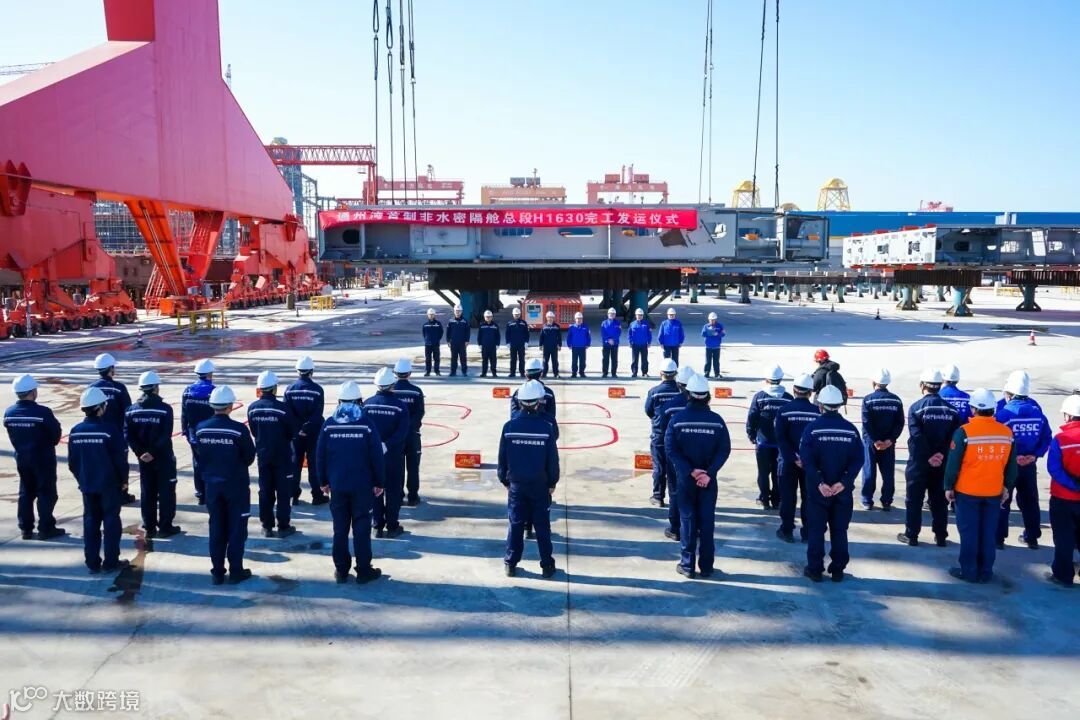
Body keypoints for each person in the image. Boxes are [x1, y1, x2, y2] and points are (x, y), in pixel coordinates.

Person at [943, 388, 1017, 583]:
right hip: (993, 491)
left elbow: (953, 463)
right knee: (988, 532)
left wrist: (948, 486)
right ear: (993, 409)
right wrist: (1007, 487)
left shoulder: (964, 432)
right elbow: (1011, 466)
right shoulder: (1006, 433)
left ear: (973, 409)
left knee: (969, 533)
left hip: (967, 491)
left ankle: (969, 570)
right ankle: (985, 571)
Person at [317, 380, 385, 584]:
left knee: (340, 529)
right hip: (362, 486)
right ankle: (363, 570)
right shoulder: (367, 425)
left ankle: (341, 570)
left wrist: (323, 481)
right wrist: (380, 482)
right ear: (359, 401)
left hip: (338, 485)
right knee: (361, 528)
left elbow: (320, 455)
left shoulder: (329, 425)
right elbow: (376, 456)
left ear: (339, 401)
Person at [665, 373, 732, 579]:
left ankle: (687, 565)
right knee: (707, 521)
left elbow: (671, 449)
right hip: (708, 482)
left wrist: (690, 471)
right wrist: (708, 473)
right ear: (707, 396)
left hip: (686, 480)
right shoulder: (717, 421)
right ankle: (707, 566)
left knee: (688, 520)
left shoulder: (677, 420)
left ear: (688, 395)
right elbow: (724, 450)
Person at [799, 385, 865, 582]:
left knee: (816, 530)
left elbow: (807, 460)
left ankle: (815, 569)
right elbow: (858, 459)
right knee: (839, 530)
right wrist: (843, 482)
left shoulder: (812, 430)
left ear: (820, 405)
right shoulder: (851, 430)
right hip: (842, 492)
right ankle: (838, 569)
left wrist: (820, 483)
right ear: (839, 405)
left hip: (818, 492)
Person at [193, 386, 256, 585]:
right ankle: (236, 570)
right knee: (237, 528)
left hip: (212, 485)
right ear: (230, 406)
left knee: (217, 527)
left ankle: (217, 572)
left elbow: (199, 454)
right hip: (235, 485)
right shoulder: (238, 430)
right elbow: (249, 456)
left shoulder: (201, 428)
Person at [498, 380, 560, 578]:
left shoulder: (509, 426)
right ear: (538, 402)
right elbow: (552, 460)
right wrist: (552, 482)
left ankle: (510, 563)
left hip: (516, 485)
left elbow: (502, 458)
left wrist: (505, 480)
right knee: (542, 525)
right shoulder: (546, 427)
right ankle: (547, 565)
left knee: (516, 524)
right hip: (539, 485)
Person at [68, 387, 130, 574]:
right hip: (109, 485)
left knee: (90, 522)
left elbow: (72, 462)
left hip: (88, 485)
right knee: (111, 522)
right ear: (100, 408)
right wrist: (124, 480)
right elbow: (120, 459)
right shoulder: (109, 430)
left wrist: (82, 479)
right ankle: (111, 561)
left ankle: (92, 562)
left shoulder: (76, 431)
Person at [898, 369, 962, 547]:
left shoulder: (916, 408)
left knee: (914, 500)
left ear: (922, 385)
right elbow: (954, 437)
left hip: (919, 462)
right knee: (940, 501)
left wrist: (929, 455)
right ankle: (940, 536)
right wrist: (940, 454)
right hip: (942, 462)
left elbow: (917, 436)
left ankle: (912, 535)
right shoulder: (952, 410)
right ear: (940, 386)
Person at [4, 375, 65, 540]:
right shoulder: (42, 412)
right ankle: (46, 527)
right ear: (32, 392)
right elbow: (55, 435)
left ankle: (26, 528)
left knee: (26, 492)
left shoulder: (9, 413)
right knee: (46, 493)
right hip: (43, 458)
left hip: (22, 458)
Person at [995, 371, 1051, 549]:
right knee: (1030, 501)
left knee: (1003, 499)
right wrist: (1034, 455)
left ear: (1009, 393)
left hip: (1007, 465)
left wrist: (1012, 457)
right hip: (1029, 465)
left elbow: (996, 439)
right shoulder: (1037, 411)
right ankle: (1032, 537)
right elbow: (1046, 437)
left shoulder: (1003, 413)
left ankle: (998, 538)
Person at [125, 371, 181, 538]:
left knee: (147, 491)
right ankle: (165, 526)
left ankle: (149, 526)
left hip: (144, 460)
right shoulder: (165, 409)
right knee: (166, 492)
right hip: (163, 457)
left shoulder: (131, 411)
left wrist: (141, 452)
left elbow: (128, 435)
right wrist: (153, 452)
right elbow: (165, 434)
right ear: (156, 388)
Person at [247, 371, 298, 538]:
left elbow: (254, 431)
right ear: (274, 388)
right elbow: (292, 431)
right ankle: (283, 526)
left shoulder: (252, 409)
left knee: (265, 491)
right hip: (282, 456)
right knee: (283, 491)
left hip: (263, 455)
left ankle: (266, 526)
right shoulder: (283, 409)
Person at [774, 373, 820, 542]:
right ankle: (807, 532)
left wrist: (793, 457)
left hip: (788, 462)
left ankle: (786, 530)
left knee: (788, 497)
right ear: (810, 392)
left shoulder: (784, 411)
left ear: (794, 390)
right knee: (809, 497)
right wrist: (806, 459)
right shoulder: (817, 412)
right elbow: (817, 440)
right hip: (810, 463)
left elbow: (780, 438)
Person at [365, 368, 410, 538]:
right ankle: (392, 526)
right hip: (393, 455)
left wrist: (376, 446)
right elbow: (402, 432)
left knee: (375, 488)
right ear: (392, 385)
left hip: (373, 455)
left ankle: (377, 525)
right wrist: (387, 445)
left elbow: (364, 429)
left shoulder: (367, 404)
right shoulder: (400, 406)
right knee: (393, 490)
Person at [90, 353, 135, 504]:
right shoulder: (119, 388)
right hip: (117, 434)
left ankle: (103, 492)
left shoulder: (91, 388)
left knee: (101, 463)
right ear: (111, 369)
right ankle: (122, 493)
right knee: (120, 464)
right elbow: (128, 411)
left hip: (97, 433)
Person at [657, 366, 695, 541]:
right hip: (695, 455)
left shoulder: (669, 406)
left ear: (678, 384)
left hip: (674, 455)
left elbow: (663, 430)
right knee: (694, 491)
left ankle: (675, 528)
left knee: (675, 490)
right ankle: (693, 526)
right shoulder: (702, 409)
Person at [746, 365, 792, 510]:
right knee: (779, 473)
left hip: (763, 442)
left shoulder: (760, 397)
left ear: (767, 379)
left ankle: (764, 499)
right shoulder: (788, 398)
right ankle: (777, 500)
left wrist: (751, 434)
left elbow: (752, 417)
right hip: (781, 444)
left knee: (763, 472)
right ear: (781, 379)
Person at [285, 356, 328, 506]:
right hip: (313, 432)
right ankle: (317, 495)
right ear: (311, 371)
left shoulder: (289, 389)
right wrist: (307, 427)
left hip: (296, 434)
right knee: (313, 463)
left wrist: (298, 429)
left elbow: (287, 413)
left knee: (295, 463)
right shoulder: (317, 390)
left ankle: (293, 495)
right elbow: (317, 414)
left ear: (297, 371)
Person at [1046, 395, 1080, 586]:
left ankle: (1063, 575)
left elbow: (1054, 468)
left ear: (1068, 416)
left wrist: (1074, 485)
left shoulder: (1061, 439)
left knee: (1064, 538)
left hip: (1063, 498)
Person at [860, 369, 905, 511]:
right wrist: (890, 440)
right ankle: (886, 501)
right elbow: (900, 422)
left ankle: (867, 500)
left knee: (869, 471)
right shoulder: (896, 400)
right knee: (888, 473)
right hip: (888, 443)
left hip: (871, 442)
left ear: (874, 382)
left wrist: (875, 440)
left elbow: (866, 422)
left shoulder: (868, 399)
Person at [644, 359, 681, 507]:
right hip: (678, 436)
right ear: (675, 373)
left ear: (661, 373)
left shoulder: (654, 392)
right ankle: (676, 497)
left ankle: (658, 497)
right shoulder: (681, 392)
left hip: (659, 434)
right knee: (676, 467)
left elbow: (649, 411)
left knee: (659, 467)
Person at [181, 359, 216, 505]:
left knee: (197, 462)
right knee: (212, 462)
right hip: (210, 433)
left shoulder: (188, 391)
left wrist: (185, 430)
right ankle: (210, 492)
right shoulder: (214, 391)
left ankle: (200, 493)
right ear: (209, 374)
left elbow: (184, 413)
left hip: (194, 433)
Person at [392, 359, 426, 506]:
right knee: (413, 467)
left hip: (395, 437)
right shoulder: (416, 391)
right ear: (409, 373)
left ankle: (398, 496)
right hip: (412, 435)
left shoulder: (391, 391)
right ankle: (413, 497)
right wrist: (410, 427)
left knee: (397, 467)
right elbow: (420, 412)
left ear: (395, 373)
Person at [446, 304, 471, 377]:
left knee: (463, 357)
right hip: (453, 342)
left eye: (459, 311)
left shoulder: (465, 321)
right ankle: (453, 372)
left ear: (461, 312)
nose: (458, 312)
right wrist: (448, 341)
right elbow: (448, 332)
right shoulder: (451, 321)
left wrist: (467, 340)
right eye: (456, 311)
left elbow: (467, 331)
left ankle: (464, 372)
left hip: (462, 343)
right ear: (454, 311)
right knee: (453, 358)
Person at [505, 307, 530, 378]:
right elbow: (507, 334)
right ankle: (512, 373)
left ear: (520, 314)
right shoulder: (509, 323)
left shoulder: (523, 323)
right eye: (515, 314)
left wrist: (526, 342)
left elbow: (527, 333)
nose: (516, 315)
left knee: (522, 359)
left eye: (518, 314)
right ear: (513, 315)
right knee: (513, 359)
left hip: (521, 344)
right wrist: (507, 342)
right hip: (513, 344)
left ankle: (522, 373)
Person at [628, 308, 652, 378]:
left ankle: (644, 372)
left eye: (641, 315)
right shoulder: (632, 324)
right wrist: (630, 342)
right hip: (635, 345)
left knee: (644, 360)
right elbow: (629, 334)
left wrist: (649, 342)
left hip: (644, 345)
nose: (639, 316)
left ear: (642, 316)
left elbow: (649, 334)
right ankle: (634, 373)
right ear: (636, 315)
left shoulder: (646, 324)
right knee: (634, 360)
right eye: (638, 315)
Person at [566, 312, 592, 378]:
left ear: (582, 319)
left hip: (582, 347)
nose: (579, 320)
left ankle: (582, 373)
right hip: (574, 347)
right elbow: (569, 337)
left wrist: (588, 344)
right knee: (574, 361)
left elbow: (588, 336)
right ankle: (574, 373)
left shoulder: (585, 327)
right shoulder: (572, 327)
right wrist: (569, 344)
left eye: (580, 318)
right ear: (575, 319)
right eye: (577, 318)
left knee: (582, 361)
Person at [477, 309, 502, 377]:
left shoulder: (495, 325)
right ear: (484, 317)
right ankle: (484, 373)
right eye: (487, 317)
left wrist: (497, 344)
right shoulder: (482, 325)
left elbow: (498, 336)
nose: (488, 318)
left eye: (489, 317)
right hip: (484, 346)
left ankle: (494, 373)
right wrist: (479, 344)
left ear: (491, 317)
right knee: (484, 360)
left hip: (493, 346)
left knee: (493, 360)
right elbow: (479, 336)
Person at [538, 311, 562, 378]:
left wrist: (559, 345)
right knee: (545, 361)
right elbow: (541, 336)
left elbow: (559, 336)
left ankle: (556, 373)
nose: (550, 318)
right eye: (549, 317)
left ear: (553, 318)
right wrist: (540, 345)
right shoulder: (544, 326)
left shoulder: (557, 326)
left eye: (551, 317)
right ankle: (544, 373)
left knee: (555, 361)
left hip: (554, 347)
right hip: (546, 347)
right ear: (546, 318)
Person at [701, 313, 725, 378]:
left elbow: (723, 334)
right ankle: (707, 372)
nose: (712, 321)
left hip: (717, 347)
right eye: (711, 320)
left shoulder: (719, 326)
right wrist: (709, 333)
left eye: (713, 320)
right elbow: (702, 334)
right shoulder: (706, 326)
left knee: (716, 361)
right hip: (708, 346)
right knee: (708, 361)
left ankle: (717, 373)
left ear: (715, 319)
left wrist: (717, 334)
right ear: (709, 320)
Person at [600, 307, 622, 378]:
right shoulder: (604, 323)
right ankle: (605, 373)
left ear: (615, 315)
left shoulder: (618, 323)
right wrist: (608, 340)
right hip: (606, 344)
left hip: (615, 344)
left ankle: (614, 373)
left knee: (614, 359)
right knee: (605, 359)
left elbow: (618, 332)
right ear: (608, 314)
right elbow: (603, 333)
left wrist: (613, 340)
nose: (612, 315)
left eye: (613, 314)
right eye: (610, 313)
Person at [421, 308, 444, 376]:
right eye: (430, 314)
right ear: (427, 315)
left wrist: (437, 339)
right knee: (428, 359)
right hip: (427, 345)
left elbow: (441, 332)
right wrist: (427, 340)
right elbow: (424, 334)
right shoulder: (425, 325)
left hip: (436, 344)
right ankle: (428, 371)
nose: (431, 316)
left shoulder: (438, 324)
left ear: (434, 315)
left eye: (432, 314)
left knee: (436, 358)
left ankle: (437, 371)